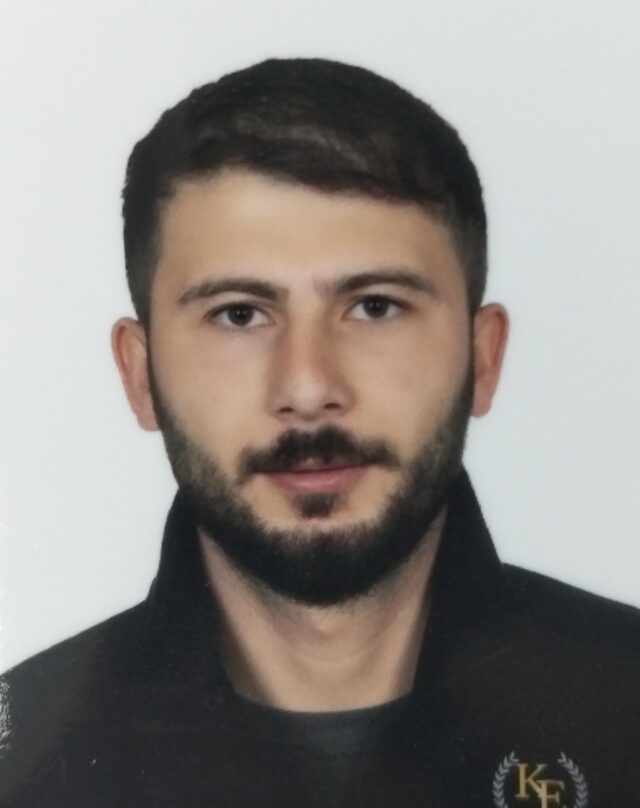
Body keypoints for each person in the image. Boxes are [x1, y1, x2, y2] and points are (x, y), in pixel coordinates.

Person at [0, 57, 637, 808]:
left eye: (375, 306)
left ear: (483, 358)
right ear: (141, 376)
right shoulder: (22, 766)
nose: (307, 388)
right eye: (239, 314)